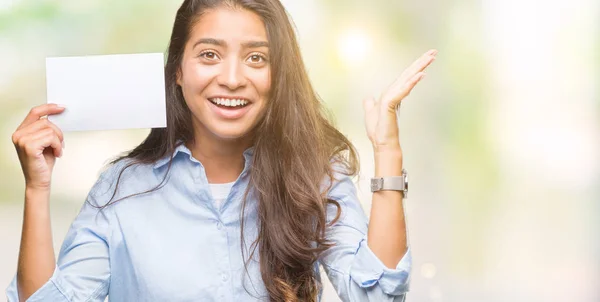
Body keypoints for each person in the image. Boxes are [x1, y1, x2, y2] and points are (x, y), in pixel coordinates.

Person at [6, 0, 436, 301]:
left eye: (256, 58)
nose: (232, 78)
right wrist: (36, 189)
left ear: (278, 74)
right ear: (177, 70)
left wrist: (388, 151)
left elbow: (376, 295)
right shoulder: (121, 190)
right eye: (209, 54)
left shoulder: (313, 179)